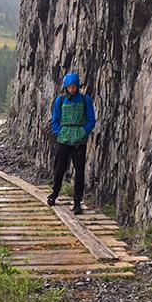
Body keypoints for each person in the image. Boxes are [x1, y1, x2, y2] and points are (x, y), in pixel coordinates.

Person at [48, 72, 96, 214]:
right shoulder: (60, 100)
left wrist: (83, 132)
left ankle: (77, 202)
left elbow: (91, 119)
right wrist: (59, 132)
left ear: (77, 86)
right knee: (59, 169)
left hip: (79, 140)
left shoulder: (85, 100)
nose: (71, 89)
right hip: (63, 139)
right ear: (65, 87)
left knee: (79, 171)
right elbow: (55, 120)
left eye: (74, 86)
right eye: (69, 87)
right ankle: (54, 194)